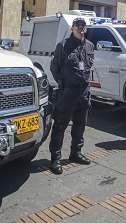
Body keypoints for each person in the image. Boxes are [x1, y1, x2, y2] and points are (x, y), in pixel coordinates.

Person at [49, 17, 95, 174]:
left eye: (83, 25)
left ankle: (75, 153)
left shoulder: (90, 46)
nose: (80, 28)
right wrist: (62, 83)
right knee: (61, 125)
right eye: (77, 25)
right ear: (72, 28)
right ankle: (55, 158)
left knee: (80, 124)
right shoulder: (63, 46)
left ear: (86, 29)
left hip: (84, 91)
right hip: (68, 91)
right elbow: (54, 68)